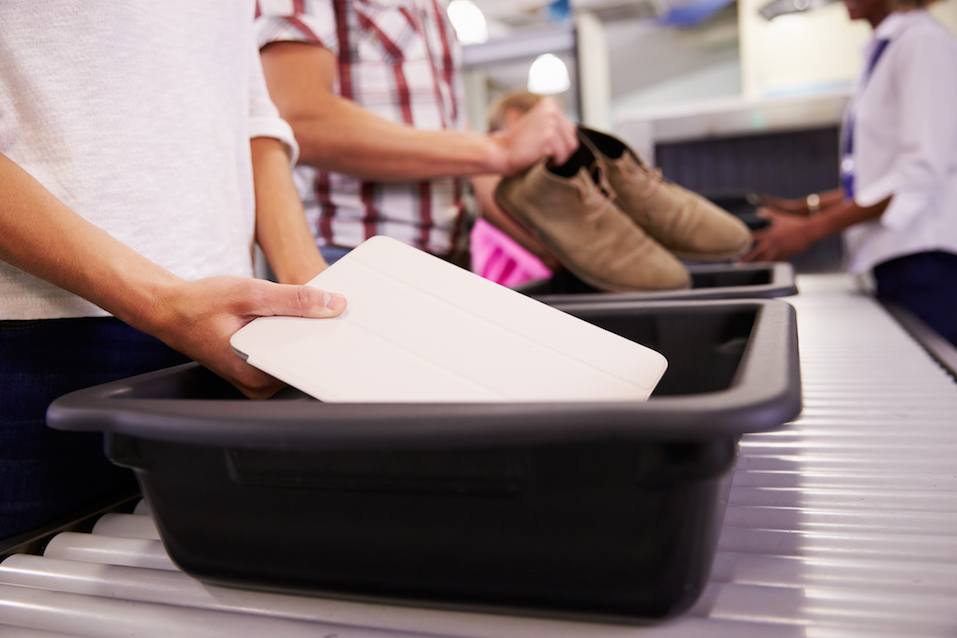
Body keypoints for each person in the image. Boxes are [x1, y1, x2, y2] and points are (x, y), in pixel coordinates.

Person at [0, 3, 346, 540]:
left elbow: (248, 110)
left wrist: (311, 285)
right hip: (36, 334)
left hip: (227, 335)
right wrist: (159, 300)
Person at [254, 0, 578, 265]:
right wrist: (499, 149)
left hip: (444, 260)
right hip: (351, 259)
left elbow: (456, 149)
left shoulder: (433, 10)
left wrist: (562, 253)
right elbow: (299, 119)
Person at [744, 0, 957, 345]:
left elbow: (919, 171)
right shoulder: (888, 47)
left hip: (927, 261)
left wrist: (809, 230)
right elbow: (880, 179)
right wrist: (800, 208)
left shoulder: (923, 43)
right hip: (900, 261)